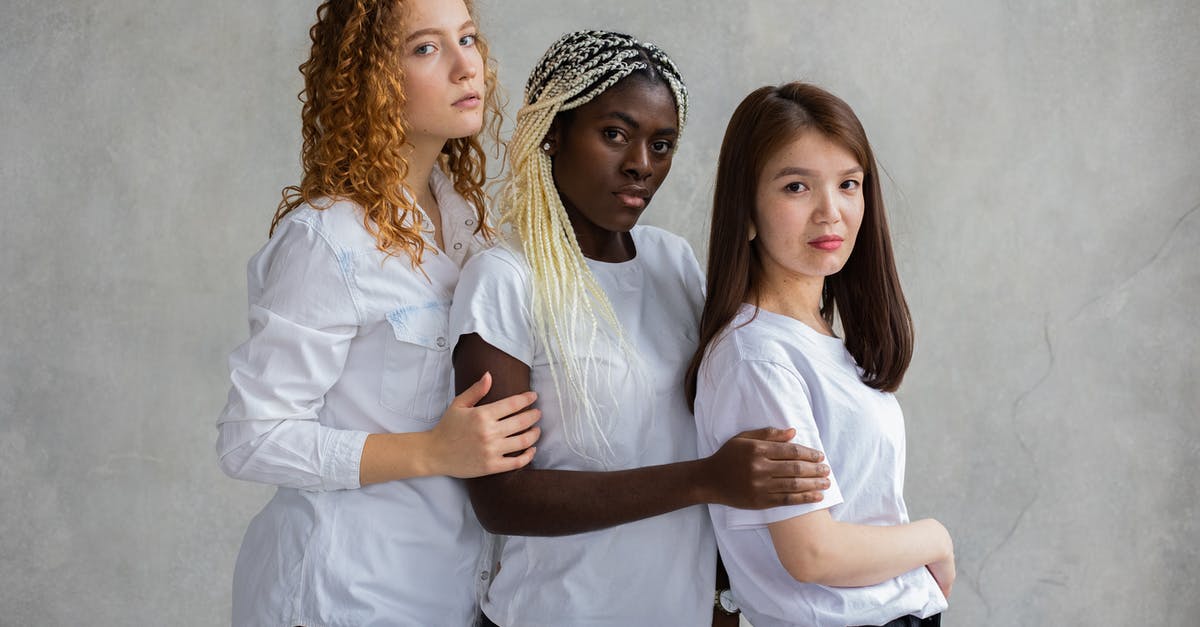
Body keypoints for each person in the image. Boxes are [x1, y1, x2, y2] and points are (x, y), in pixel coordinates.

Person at [449, 31, 832, 626]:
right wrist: (705, 480)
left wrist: (723, 604)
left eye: (662, 144)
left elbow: (714, 438)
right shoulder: (506, 278)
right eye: (615, 134)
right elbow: (502, 499)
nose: (641, 165)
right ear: (553, 132)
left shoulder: (673, 263)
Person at [214, 1, 541, 625]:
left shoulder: (477, 232)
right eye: (425, 48)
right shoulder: (327, 240)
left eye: (467, 38)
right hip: (342, 595)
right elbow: (252, 438)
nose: (465, 65)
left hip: (448, 596)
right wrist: (433, 452)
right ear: (372, 81)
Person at [686, 82, 954, 627]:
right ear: (749, 211)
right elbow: (812, 553)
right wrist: (934, 538)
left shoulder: (816, 340)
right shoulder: (758, 358)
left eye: (848, 184)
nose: (830, 212)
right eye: (796, 187)